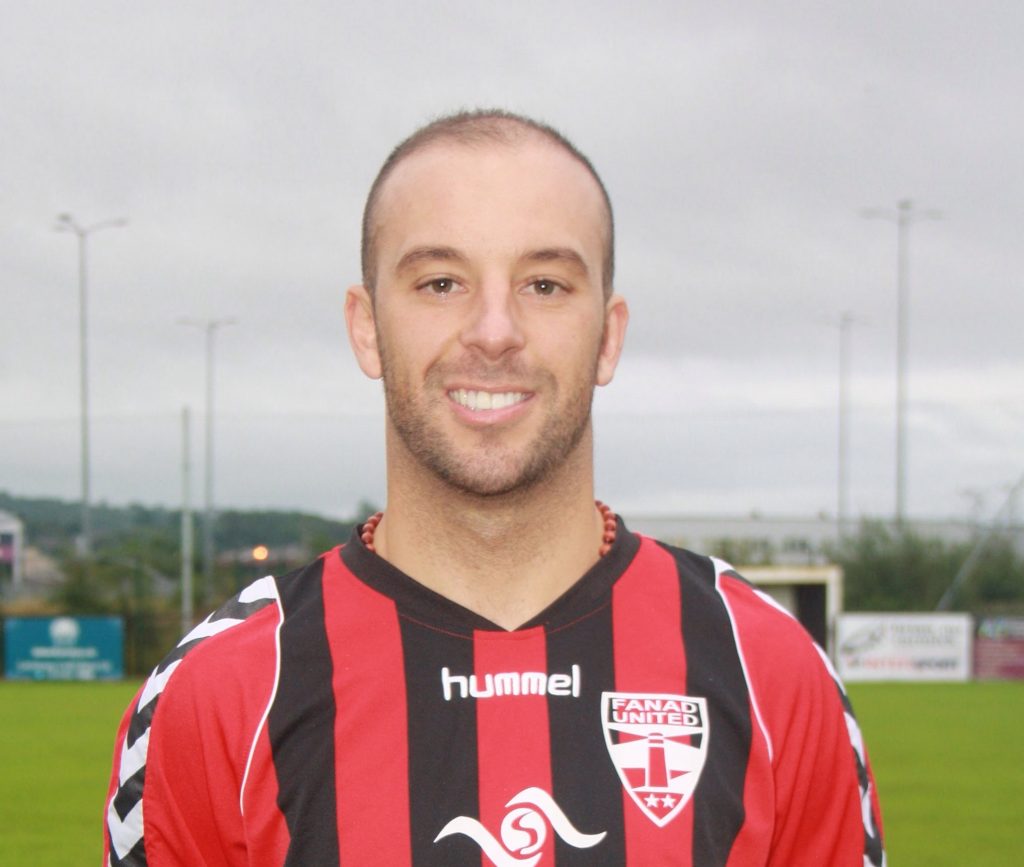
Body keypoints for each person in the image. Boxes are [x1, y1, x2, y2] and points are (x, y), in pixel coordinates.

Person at [104, 110, 885, 867]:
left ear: (608, 336)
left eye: (544, 284)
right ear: (367, 327)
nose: (493, 331)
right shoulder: (219, 692)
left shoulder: (770, 672)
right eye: (441, 282)